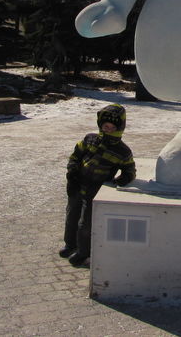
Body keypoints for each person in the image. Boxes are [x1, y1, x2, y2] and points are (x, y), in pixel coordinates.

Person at [59, 103, 136, 267]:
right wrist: (72, 172)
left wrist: (121, 180)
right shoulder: (90, 139)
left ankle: (83, 252)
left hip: (96, 190)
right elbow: (76, 156)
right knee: (72, 215)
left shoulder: (122, 151)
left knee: (85, 224)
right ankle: (70, 244)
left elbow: (130, 170)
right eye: (104, 126)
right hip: (78, 185)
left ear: (118, 127)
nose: (107, 129)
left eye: (111, 127)